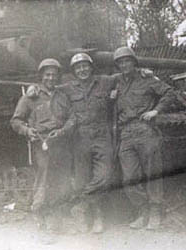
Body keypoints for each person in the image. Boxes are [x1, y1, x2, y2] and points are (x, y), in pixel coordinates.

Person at [112, 46, 177, 230]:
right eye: (121, 62)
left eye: (128, 61)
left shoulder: (146, 78)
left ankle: (155, 212)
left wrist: (156, 110)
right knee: (129, 178)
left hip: (145, 129)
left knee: (152, 173)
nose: (125, 65)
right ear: (118, 65)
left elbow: (169, 92)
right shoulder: (116, 82)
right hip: (126, 133)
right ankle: (143, 211)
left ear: (134, 63)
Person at [10, 58, 75, 217]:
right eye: (47, 75)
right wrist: (27, 131)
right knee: (44, 178)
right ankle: (39, 215)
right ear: (41, 76)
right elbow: (15, 120)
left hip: (61, 143)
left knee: (64, 178)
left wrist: (63, 131)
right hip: (42, 144)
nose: (51, 78)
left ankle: (59, 215)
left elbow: (72, 118)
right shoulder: (30, 97)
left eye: (54, 75)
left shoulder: (62, 96)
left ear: (58, 77)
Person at [60, 53, 115, 233]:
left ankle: (81, 206)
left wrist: (145, 71)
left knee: (104, 176)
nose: (82, 70)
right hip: (80, 138)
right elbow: (49, 89)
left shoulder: (105, 82)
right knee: (82, 179)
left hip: (101, 136)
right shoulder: (68, 88)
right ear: (74, 71)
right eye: (78, 67)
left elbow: (125, 76)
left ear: (91, 67)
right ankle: (91, 218)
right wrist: (33, 90)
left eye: (85, 66)